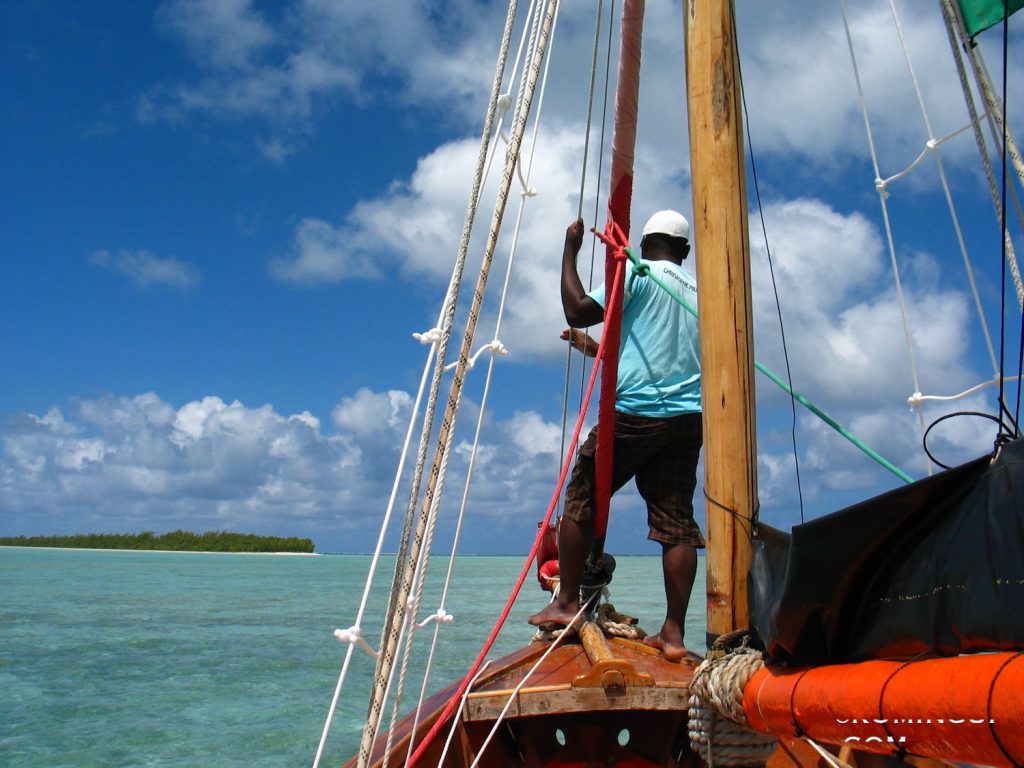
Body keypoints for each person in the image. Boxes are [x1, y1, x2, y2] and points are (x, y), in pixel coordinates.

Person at [528, 210, 704, 663]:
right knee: (676, 524)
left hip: (635, 414)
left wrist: (570, 249)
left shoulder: (641, 275)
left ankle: (566, 602)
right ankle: (673, 632)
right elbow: (656, 352)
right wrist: (596, 350)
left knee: (582, 497)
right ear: (684, 251)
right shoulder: (697, 294)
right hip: (686, 420)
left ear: (645, 244)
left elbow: (579, 310)